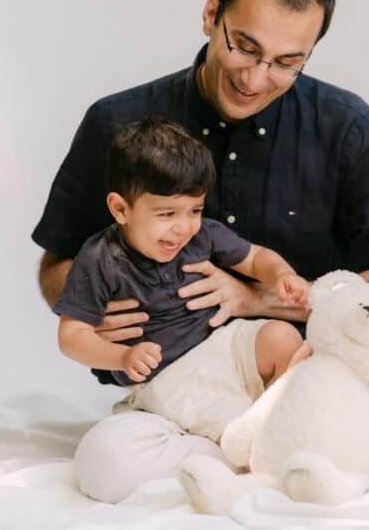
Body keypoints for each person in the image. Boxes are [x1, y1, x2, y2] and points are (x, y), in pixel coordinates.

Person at [32, 0, 369, 502]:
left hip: (316, 376)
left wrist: (257, 299)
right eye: (245, 48)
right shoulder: (116, 123)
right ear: (212, 16)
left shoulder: (346, 127)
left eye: (286, 63)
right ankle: (266, 457)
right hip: (176, 395)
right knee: (106, 467)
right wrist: (91, 308)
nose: (255, 78)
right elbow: (55, 266)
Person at [55, 116, 310, 442]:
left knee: (282, 337)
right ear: (120, 209)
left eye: (195, 210)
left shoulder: (201, 235)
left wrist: (281, 274)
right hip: (168, 376)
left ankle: (287, 416)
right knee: (229, 422)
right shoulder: (101, 258)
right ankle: (252, 441)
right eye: (166, 214)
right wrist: (121, 357)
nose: (184, 227)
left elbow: (255, 257)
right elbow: (71, 336)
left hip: (222, 343)